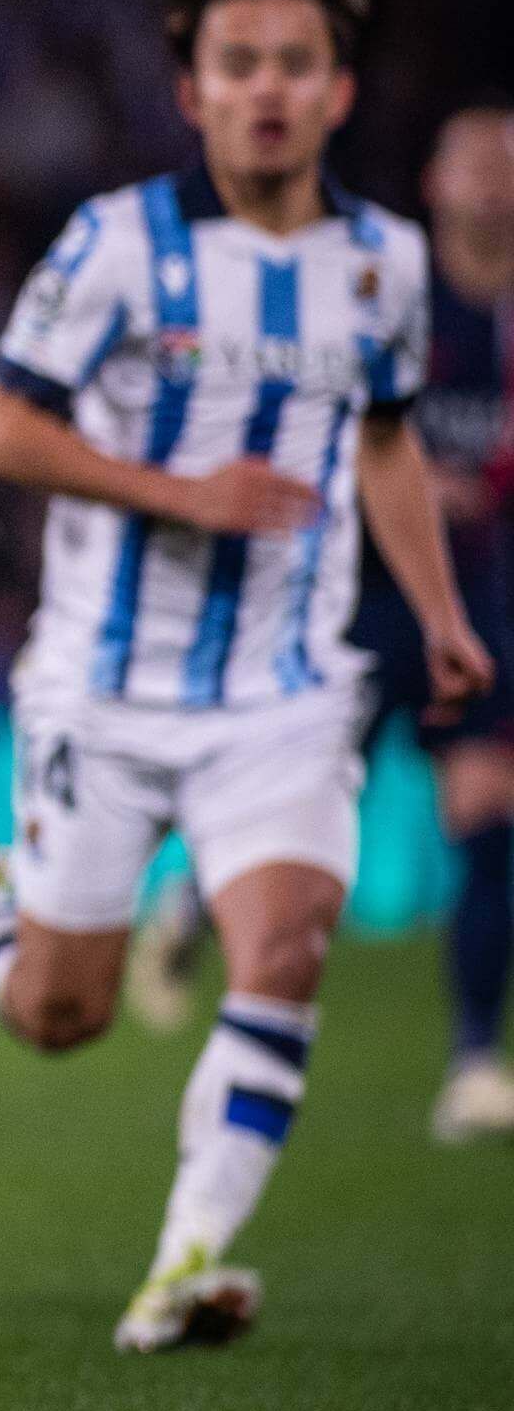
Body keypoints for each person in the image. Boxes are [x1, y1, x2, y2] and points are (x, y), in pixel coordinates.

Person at [0, 0, 494, 1352]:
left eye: (296, 62)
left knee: (285, 948)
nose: (267, 87)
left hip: (285, 688)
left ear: (338, 91)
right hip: (102, 685)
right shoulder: (114, 247)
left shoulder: (384, 265)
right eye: (238, 62)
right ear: (191, 90)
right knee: (60, 1013)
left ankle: (185, 1261)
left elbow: (388, 446)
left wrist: (445, 616)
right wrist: (180, 494)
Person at [127, 104, 514, 1143]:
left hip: (474, 598)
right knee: (285, 806)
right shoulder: (389, 295)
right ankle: (192, 907)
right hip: (350, 597)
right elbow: (306, 427)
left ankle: (476, 1059)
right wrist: (414, 479)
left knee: (488, 811)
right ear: (433, 183)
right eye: (473, 158)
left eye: (508, 163)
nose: (493, 179)